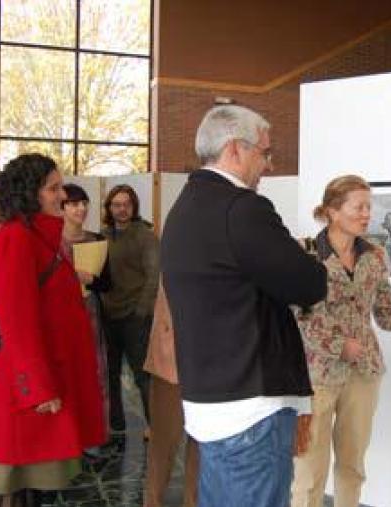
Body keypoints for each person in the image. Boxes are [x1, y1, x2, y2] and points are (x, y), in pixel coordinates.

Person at [161, 104, 327, 507]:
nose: (268, 165)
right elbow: (309, 284)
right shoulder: (242, 208)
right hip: (252, 404)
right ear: (235, 149)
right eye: (264, 153)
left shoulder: (184, 207)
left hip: (210, 397)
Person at [290, 175, 391, 507]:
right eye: (359, 207)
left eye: (369, 207)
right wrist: (339, 346)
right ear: (333, 211)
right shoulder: (303, 253)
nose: (367, 214)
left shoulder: (375, 256)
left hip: (364, 373)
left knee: (352, 467)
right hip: (314, 377)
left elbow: (387, 315)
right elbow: (295, 316)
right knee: (308, 471)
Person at [0, 153, 105, 506]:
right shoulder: (15, 239)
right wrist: (37, 387)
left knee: (37, 488)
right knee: (17, 490)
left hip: (48, 381)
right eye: (53, 188)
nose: (62, 195)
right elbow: (16, 322)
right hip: (28, 391)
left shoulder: (40, 237)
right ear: (29, 192)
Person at [100, 184, 159, 440]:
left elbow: (154, 276)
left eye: (126, 204)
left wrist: (141, 311)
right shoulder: (102, 236)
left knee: (142, 376)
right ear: (109, 208)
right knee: (109, 372)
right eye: (116, 205)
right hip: (107, 314)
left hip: (135, 316)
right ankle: (116, 424)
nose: (121, 209)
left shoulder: (145, 235)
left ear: (134, 207)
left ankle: (154, 425)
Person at [60, 183, 113, 463]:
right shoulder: (51, 241)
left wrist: (90, 280)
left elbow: (108, 283)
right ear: (62, 208)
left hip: (90, 315)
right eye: (73, 204)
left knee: (94, 376)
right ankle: (66, 438)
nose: (80, 209)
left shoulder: (95, 239)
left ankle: (92, 437)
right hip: (61, 318)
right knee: (66, 378)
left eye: (84, 203)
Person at [143, 281, 199, 507]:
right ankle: (153, 502)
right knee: (163, 443)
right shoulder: (178, 248)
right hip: (170, 360)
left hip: (206, 362)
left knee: (202, 441)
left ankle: (192, 502)